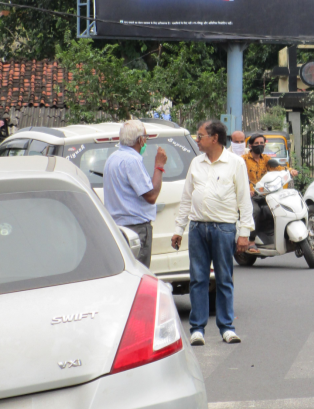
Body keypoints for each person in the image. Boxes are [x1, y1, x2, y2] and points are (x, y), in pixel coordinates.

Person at [172, 119, 254, 346]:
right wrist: (179, 229)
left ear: (214, 138)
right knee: (197, 279)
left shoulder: (235, 163)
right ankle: (197, 329)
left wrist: (244, 233)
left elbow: (244, 200)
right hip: (198, 227)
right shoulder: (196, 164)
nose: (197, 140)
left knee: (224, 279)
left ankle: (227, 327)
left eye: (200, 136)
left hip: (224, 228)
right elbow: (187, 198)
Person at [102, 119, 166, 267]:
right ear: (140, 139)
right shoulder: (132, 161)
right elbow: (151, 196)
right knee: (138, 272)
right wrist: (159, 166)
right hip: (136, 228)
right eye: (145, 137)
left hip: (119, 226)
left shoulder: (113, 158)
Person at [242, 134, 299, 246]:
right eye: (257, 143)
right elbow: (239, 177)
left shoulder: (266, 159)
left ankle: (275, 235)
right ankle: (251, 240)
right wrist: (249, 189)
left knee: (276, 208)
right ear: (250, 145)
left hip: (264, 194)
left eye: (262, 143)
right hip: (249, 195)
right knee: (256, 211)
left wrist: (291, 171)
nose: (260, 145)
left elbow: (279, 168)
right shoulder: (243, 160)